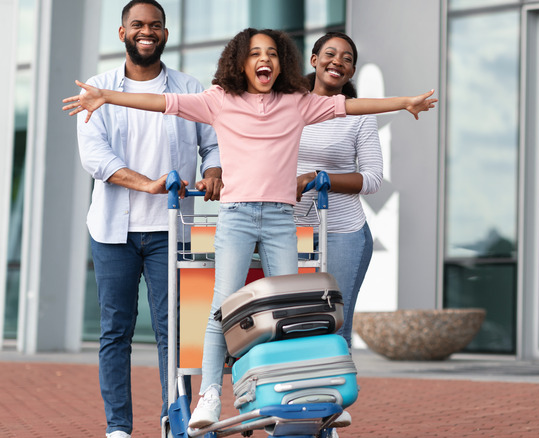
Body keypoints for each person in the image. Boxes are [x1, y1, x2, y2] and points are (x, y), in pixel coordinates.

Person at [62, 27, 436, 430]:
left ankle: (302, 390)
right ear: (241, 62)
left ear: (283, 63)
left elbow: (353, 108)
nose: (265, 59)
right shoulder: (219, 101)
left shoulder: (298, 103)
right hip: (237, 216)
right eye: (256, 53)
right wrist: (107, 96)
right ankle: (209, 396)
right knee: (221, 306)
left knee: (294, 308)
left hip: (280, 219)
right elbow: (162, 102)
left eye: (273, 53)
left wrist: (404, 103)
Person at [73, 2, 221, 438]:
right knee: (114, 331)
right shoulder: (96, 90)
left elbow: (212, 144)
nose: (146, 31)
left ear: (165, 34)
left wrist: (213, 171)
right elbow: (95, 159)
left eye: (154, 25)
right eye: (137, 25)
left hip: (171, 230)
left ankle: (174, 419)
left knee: (174, 331)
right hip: (113, 231)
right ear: (122, 33)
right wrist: (147, 184)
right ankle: (118, 427)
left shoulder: (189, 88)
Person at [295, 32, 379, 352]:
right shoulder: (288, 106)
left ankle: (334, 401)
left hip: (343, 231)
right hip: (290, 229)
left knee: (334, 325)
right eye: (330, 54)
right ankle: (299, 398)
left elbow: (372, 178)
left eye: (347, 59)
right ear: (315, 60)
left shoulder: (358, 114)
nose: (338, 62)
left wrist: (320, 177)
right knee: (294, 322)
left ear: (351, 72)